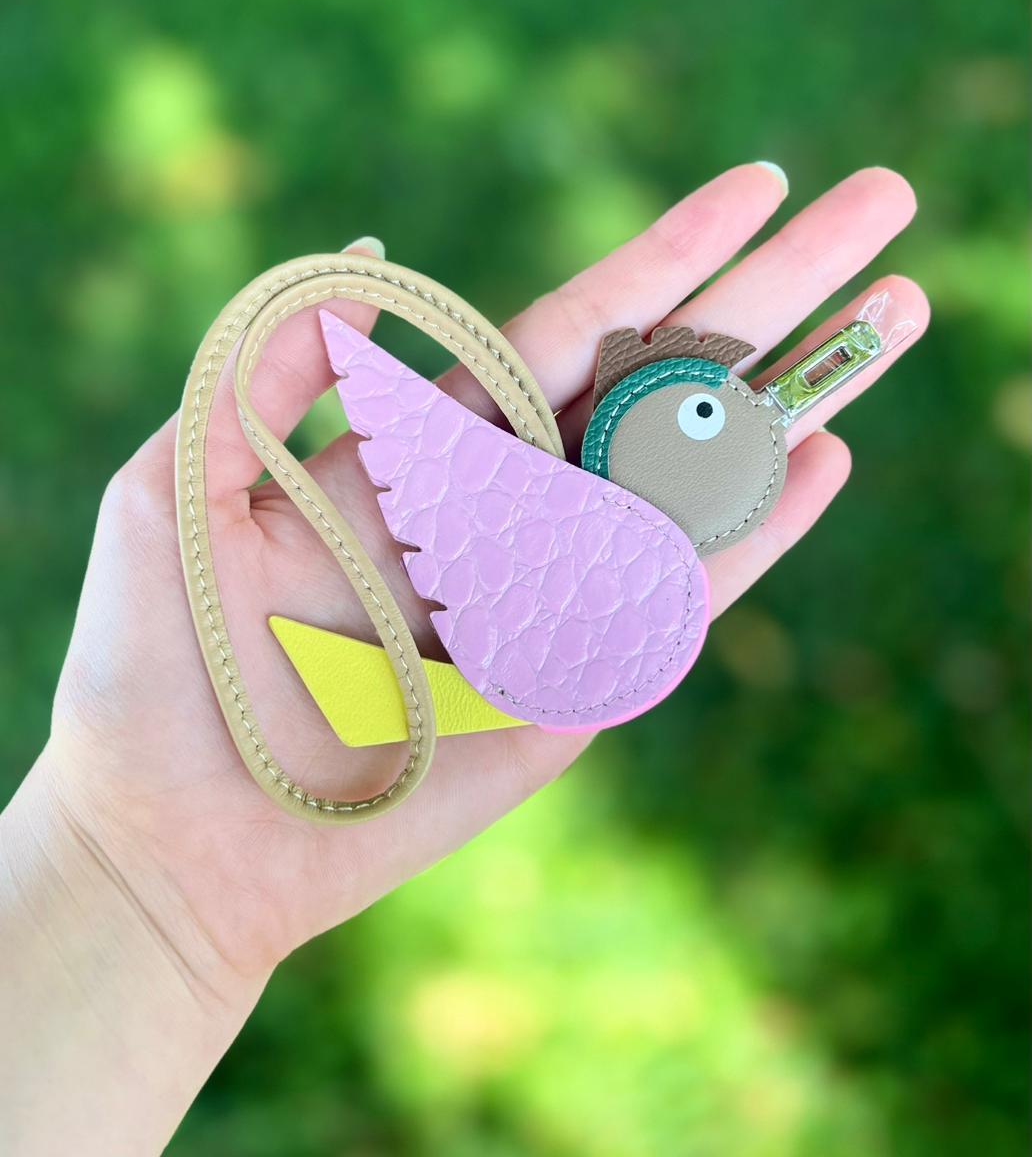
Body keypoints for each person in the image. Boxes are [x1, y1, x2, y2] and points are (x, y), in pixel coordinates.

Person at [0, 163, 926, 1155]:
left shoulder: (636, 569)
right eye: (706, 413)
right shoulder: (615, 558)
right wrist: (120, 863)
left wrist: (122, 877)